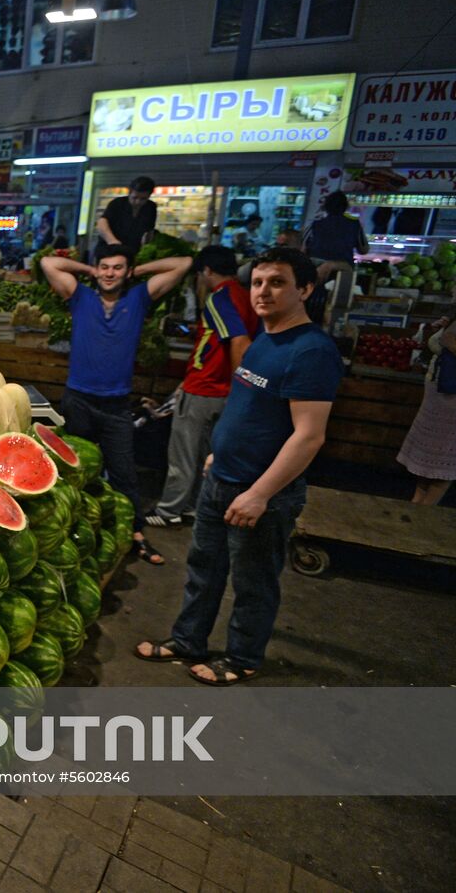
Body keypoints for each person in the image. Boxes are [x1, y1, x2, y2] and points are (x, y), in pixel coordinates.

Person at [135, 247, 343, 685]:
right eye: (258, 282)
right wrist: (218, 454)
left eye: (278, 282)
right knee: (202, 572)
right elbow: (248, 405)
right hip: (221, 480)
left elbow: (309, 435)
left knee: (253, 584)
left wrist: (260, 494)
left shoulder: (311, 351)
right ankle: (187, 640)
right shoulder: (266, 337)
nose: (263, 291)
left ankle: (243, 657)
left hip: (260, 493)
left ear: (305, 289)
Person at [40, 245, 193, 565]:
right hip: (78, 400)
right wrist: (88, 269)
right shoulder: (80, 296)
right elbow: (48, 263)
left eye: (118, 268)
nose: (110, 273)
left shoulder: (138, 299)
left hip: (116, 406)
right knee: (73, 472)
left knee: (124, 473)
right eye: (105, 267)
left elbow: (183, 262)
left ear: (127, 272)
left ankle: (134, 534)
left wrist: (139, 270)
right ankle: (70, 533)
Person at [145, 247, 260, 528]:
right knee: (203, 456)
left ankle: (169, 510)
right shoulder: (247, 297)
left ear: (206, 270)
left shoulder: (220, 297)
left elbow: (238, 341)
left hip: (205, 388)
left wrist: (240, 389)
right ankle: (194, 506)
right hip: (218, 391)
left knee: (182, 455)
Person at [397, 314, 456, 504]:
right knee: (439, 456)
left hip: (447, 396)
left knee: (444, 457)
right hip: (441, 395)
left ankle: (422, 507)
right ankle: (421, 506)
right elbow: (443, 341)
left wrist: (447, 338)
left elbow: (446, 340)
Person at [302, 192, 367, 323]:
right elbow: (364, 249)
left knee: (311, 310)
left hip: (316, 274)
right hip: (342, 275)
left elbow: (302, 249)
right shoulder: (354, 225)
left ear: (325, 207)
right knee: (336, 312)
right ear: (345, 207)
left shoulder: (315, 225)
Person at [96, 176, 157, 258]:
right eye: (134, 198)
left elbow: (149, 231)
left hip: (133, 251)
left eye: (143, 199)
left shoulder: (151, 207)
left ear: (149, 196)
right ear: (129, 193)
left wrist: (146, 247)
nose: (138, 202)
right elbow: (102, 223)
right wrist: (113, 242)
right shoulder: (117, 203)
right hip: (109, 249)